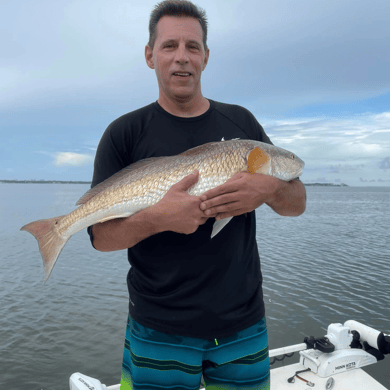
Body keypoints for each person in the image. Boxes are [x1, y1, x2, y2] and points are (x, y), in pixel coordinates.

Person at [88, 1, 306, 389]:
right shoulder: (123, 133)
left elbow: (297, 203)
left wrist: (268, 188)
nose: (181, 58)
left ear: (206, 57)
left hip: (243, 322)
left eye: (192, 47)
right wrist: (156, 219)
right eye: (169, 46)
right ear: (149, 55)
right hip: (157, 325)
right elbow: (101, 239)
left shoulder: (242, 125)